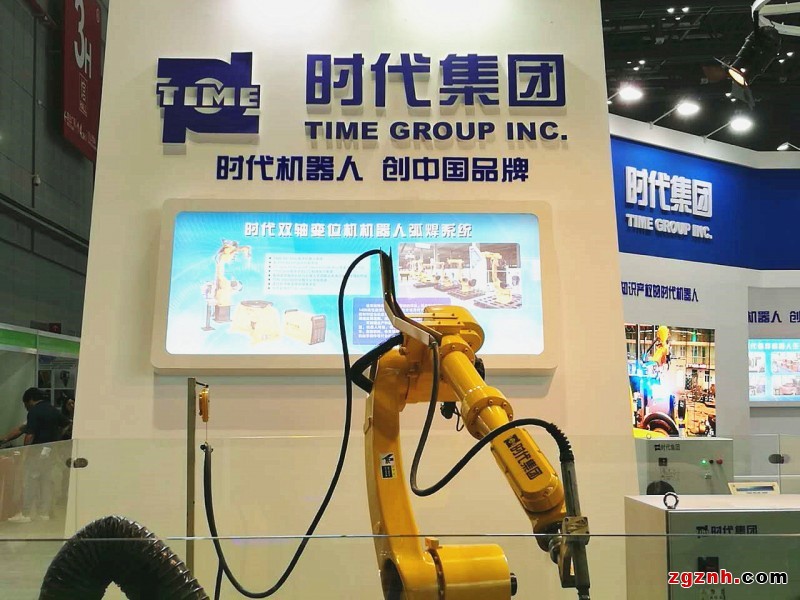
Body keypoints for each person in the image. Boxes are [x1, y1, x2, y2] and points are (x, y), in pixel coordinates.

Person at [6, 388, 71, 523]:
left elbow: (29, 435)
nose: (26, 408)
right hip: (50, 451)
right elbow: (67, 423)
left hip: (36, 452)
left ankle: (26, 514)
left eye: (25, 404)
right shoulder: (52, 410)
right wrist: (57, 437)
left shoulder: (34, 412)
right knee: (45, 482)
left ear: (30, 400)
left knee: (30, 481)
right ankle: (44, 513)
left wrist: (25, 453)